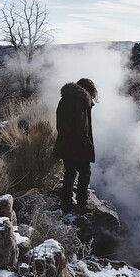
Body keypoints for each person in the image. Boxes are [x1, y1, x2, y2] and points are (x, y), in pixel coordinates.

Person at [53, 78, 97, 211]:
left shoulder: (64, 99)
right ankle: (81, 203)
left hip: (65, 143)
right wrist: (87, 144)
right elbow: (82, 126)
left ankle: (65, 201)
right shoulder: (80, 102)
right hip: (78, 145)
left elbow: (60, 124)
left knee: (70, 171)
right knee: (85, 173)